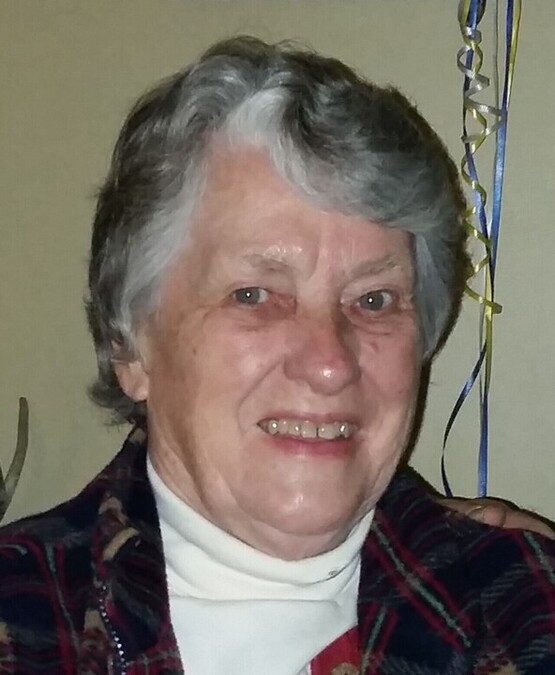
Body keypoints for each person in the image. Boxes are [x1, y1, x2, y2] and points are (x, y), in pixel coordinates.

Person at [1, 37, 554, 675]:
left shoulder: (524, 604)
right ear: (132, 346)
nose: (329, 363)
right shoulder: (22, 614)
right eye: (254, 295)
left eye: (373, 300)